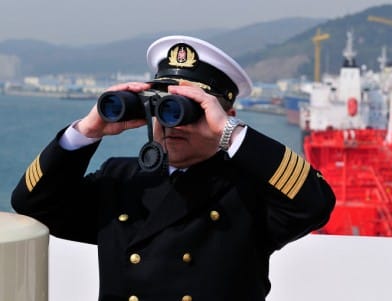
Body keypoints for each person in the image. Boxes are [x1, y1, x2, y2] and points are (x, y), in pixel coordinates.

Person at [11, 35, 336, 301]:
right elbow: (34, 204)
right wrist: (87, 130)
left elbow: (315, 203)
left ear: (226, 114)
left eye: (189, 110)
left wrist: (231, 133)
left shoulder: (248, 189)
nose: (173, 123)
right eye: (163, 106)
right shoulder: (120, 180)